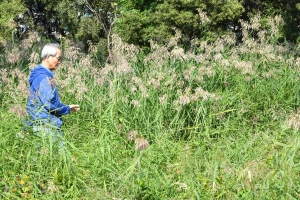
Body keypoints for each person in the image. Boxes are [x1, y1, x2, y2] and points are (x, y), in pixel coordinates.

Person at [25, 43, 79, 153]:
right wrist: (67, 108)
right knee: (59, 159)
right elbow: (49, 104)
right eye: (58, 58)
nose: (59, 62)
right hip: (46, 126)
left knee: (41, 161)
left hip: (37, 123)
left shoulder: (38, 75)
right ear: (49, 57)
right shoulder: (44, 78)